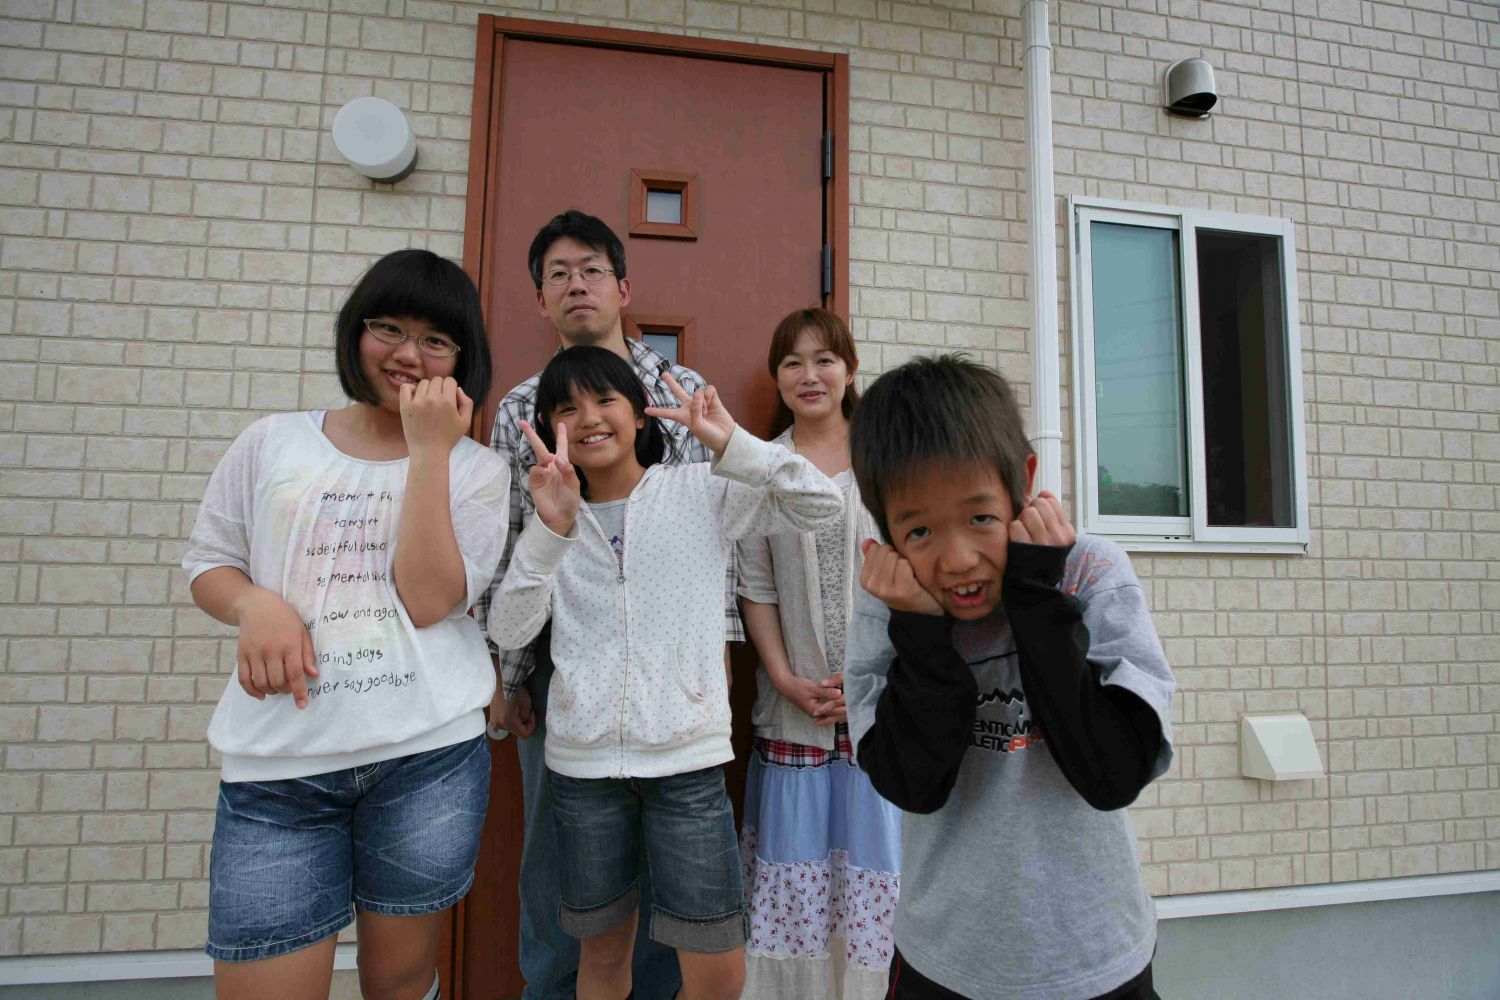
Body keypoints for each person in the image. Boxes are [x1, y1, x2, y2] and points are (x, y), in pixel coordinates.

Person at [182, 249, 508, 1000]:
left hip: (426, 757)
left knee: (398, 982)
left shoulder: (477, 471)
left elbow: (429, 601)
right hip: (279, 767)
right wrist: (251, 604)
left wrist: (431, 451)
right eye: (387, 327)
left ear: (462, 357)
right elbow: (209, 561)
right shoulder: (271, 441)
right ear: (354, 333)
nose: (406, 354)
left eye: (436, 340)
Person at [490, 345, 842, 1000]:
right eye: (567, 409)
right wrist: (550, 527)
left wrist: (732, 442)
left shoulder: (701, 491)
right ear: (548, 428)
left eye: (605, 401)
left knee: (717, 973)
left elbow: (822, 506)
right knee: (600, 961)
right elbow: (509, 630)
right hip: (584, 773)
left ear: (640, 417)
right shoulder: (556, 518)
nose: (589, 419)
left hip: (687, 768)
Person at [473, 209, 746, 999]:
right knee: (565, 876)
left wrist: (713, 661)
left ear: (623, 287)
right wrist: (512, 675)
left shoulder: (682, 390)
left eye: (590, 269)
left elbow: (714, 527)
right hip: (568, 662)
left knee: (679, 884)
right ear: (540, 300)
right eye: (557, 274)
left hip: (676, 671)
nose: (575, 285)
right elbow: (512, 544)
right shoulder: (521, 409)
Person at [842, 355, 1176, 1000]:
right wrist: (920, 634)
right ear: (883, 525)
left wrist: (1038, 603)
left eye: (980, 517)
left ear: (1022, 481)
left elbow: (1113, 775)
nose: (958, 559)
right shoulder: (889, 603)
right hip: (945, 961)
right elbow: (912, 784)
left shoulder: (1088, 573)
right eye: (918, 530)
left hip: (1098, 956)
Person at [735, 308, 901, 998]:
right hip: (794, 713)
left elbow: (915, 572)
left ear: (850, 369)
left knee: (879, 880)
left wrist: (874, 678)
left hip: (882, 709)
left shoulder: (887, 461)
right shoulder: (760, 467)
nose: (810, 374)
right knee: (796, 895)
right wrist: (784, 676)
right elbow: (755, 584)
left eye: (824, 359)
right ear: (777, 377)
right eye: (793, 362)